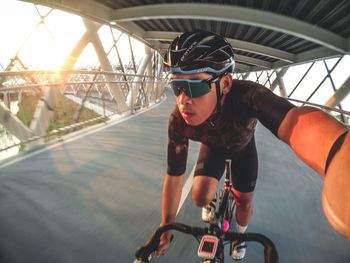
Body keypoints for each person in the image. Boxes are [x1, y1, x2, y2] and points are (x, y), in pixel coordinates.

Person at [153, 30, 349, 259]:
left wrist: (336, 150)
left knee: (243, 201)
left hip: (242, 151)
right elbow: (175, 174)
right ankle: (213, 197)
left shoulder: (248, 96)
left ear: (225, 84)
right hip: (214, 149)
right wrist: (165, 227)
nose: (183, 99)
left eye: (195, 86)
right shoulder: (178, 120)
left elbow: (294, 121)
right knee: (200, 197)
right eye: (177, 86)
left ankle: (241, 236)